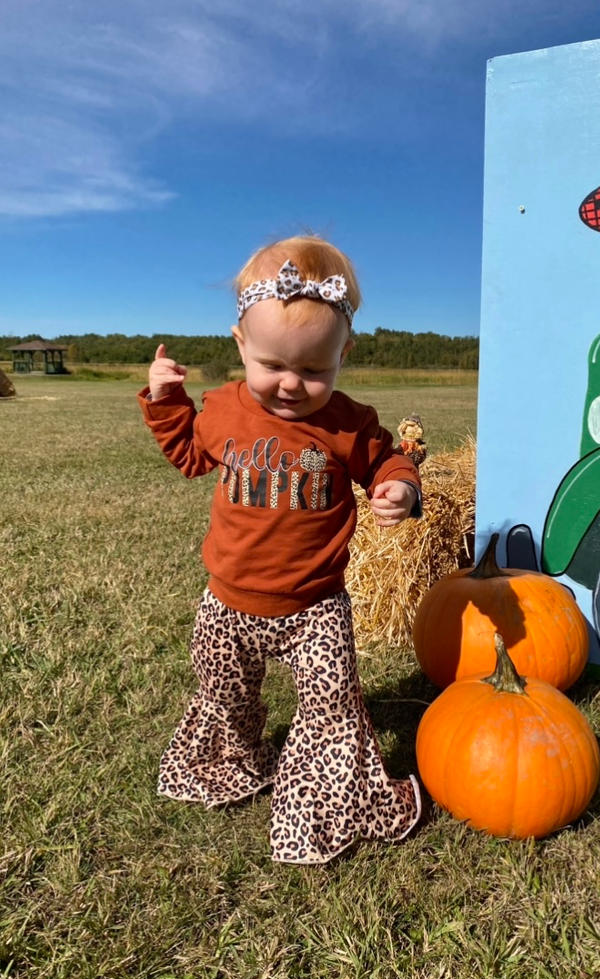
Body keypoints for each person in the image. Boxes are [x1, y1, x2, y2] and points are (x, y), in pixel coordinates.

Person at [137, 235, 423, 864]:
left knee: (331, 712)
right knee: (226, 695)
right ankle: (230, 763)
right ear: (241, 344)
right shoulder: (224, 410)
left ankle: (321, 814)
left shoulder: (348, 423)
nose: (292, 385)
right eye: (272, 366)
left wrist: (398, 487)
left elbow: (387, 461)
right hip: (226, 604)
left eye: (314, 370)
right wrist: (166, 400)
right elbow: (188, 454)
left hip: (314, 607)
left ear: (343, 354)